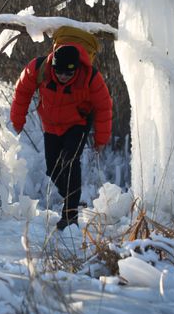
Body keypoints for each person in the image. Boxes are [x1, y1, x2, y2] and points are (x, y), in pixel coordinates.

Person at [10, 43, 113, 230]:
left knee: (70, 161)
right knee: (53, 169)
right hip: (51, 125)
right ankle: (71, 199)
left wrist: (101, 139)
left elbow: (104, 108)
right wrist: (18, 121)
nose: (63, 76)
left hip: (78, 124)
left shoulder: (90, 77)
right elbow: (22, 92)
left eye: (69, 73)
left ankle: (70, 215)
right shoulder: (39, 68)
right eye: (60, 72)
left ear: (76, 69)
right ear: (53, 66)